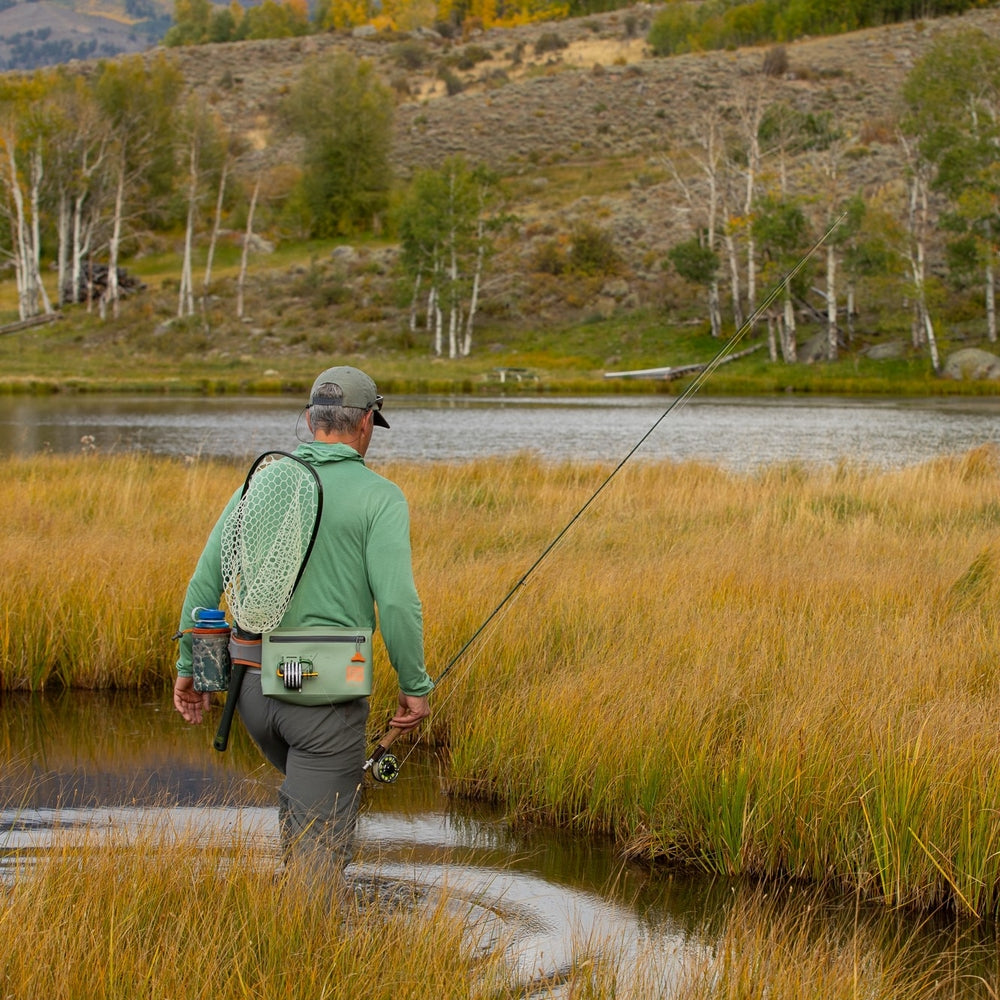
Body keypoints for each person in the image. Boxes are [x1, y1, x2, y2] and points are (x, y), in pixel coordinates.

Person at [173, 365, 433, 878]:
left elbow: (205, 582)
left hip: (251, 692)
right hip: (321, 694)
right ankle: (307, 919)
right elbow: (398, 604)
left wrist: (189, 667)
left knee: (305, 820)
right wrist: (414, 687)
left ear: (312, 420)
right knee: (320, 857)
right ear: (366, 423)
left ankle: (291, 910)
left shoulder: (261, 484)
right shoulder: (380, 496)